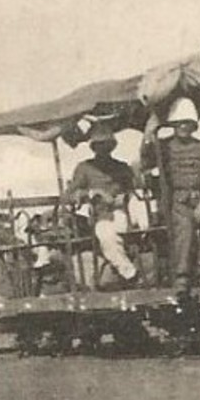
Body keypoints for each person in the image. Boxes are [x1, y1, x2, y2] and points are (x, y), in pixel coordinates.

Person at [149, 97, 200, 289]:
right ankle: (182, 276)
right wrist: (148, 137)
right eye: (179, 123)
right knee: (183, 232)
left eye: (188, 123)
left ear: (194, 125)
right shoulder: (163, 147)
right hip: (176, 201)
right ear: (173, 124)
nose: (183, 127)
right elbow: (145, 161)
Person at [62, 121, 138, 285]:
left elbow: (135, 189)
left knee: (132, 226)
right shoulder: (85, 168)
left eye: (107, 144)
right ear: (93, 147)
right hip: (101, 216)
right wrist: (92, 193)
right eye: (99, 145)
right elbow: (67, 197)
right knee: (106, 233)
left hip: (125, 213)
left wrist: (125, 196)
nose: (103, 149)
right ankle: (130, 273)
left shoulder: (122, 168)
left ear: (112, 146)